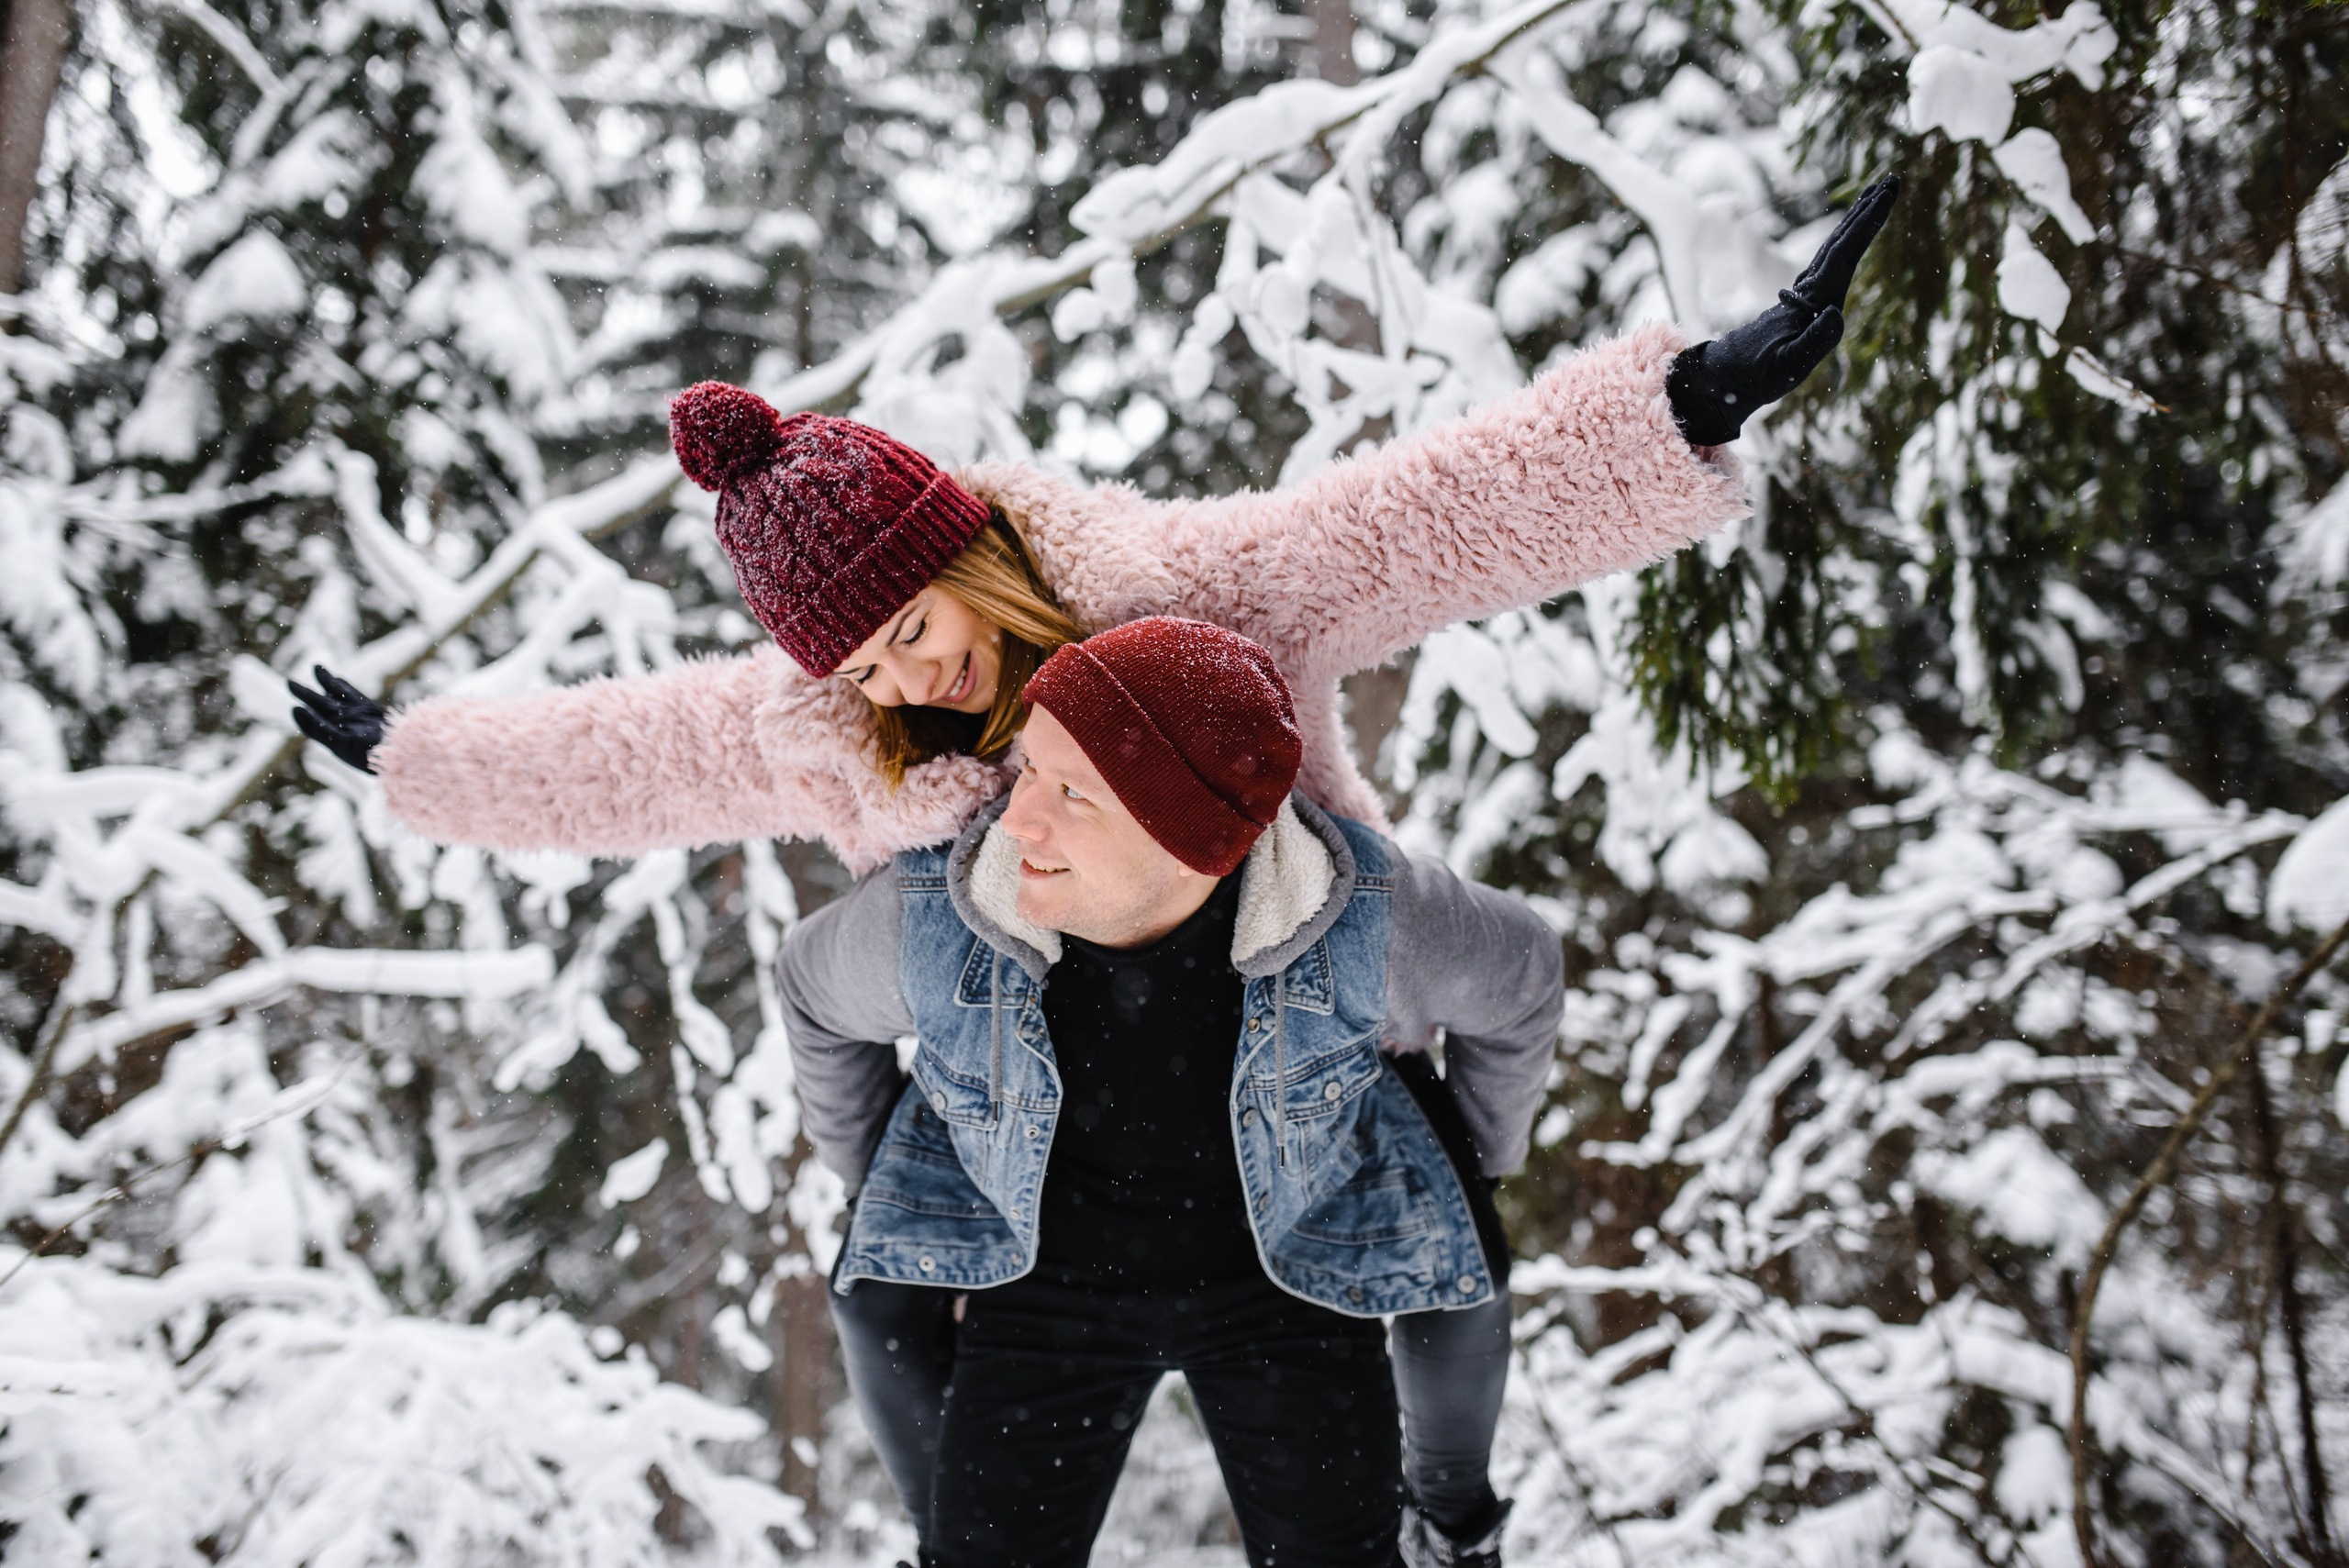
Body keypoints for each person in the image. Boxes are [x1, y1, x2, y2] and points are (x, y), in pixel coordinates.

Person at [285, 177, 1901, 1563]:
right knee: (886, 1283)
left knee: (1448, 1234)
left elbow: (1418, 518)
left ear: (969, 550)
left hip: (1291, 1038)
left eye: (916, 625)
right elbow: (623, 757)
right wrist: (419, 759)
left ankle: (1450, 1502)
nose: (911, 682)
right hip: (1054, 1148)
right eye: (865, 668)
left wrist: (1683, 400)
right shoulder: (843, 731)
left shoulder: (1200, 591)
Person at [775, 617, 1564, 1567]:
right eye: (1031, 768)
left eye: (1073, 793)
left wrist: (1477, 1166)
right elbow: (810, 993)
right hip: (1041, 1281)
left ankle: (1451, 1533)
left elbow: (1522, 976)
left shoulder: (1365, 914)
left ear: (1190, 839)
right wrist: (886, 1186)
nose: (1016, 817)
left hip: (1290, 1270)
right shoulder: (936, 917)